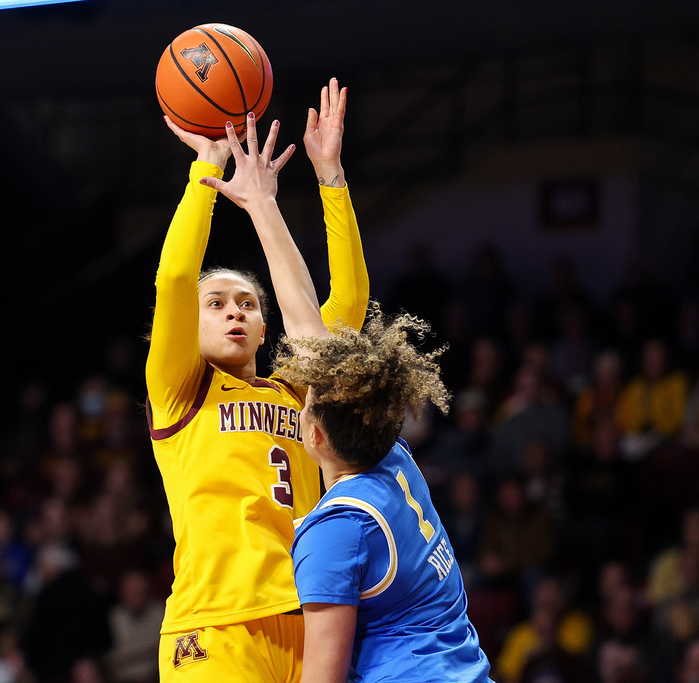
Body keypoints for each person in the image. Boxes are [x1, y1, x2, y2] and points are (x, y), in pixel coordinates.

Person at [145, 77, 368, 682]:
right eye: (216, 304)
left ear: (266, 329)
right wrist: (207, 170)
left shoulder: (293, 390)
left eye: (247, 304)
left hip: (308, 615)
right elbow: (174, 280)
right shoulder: (178, 389)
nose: (234, 312)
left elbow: (347, 304)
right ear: (187, 325)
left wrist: (331, 178)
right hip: (214, 625)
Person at [274, 306, 492, 682]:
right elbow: (309, 337)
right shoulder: (393, 456)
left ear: (315, 436)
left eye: (305, 403)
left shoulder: (336, 530)